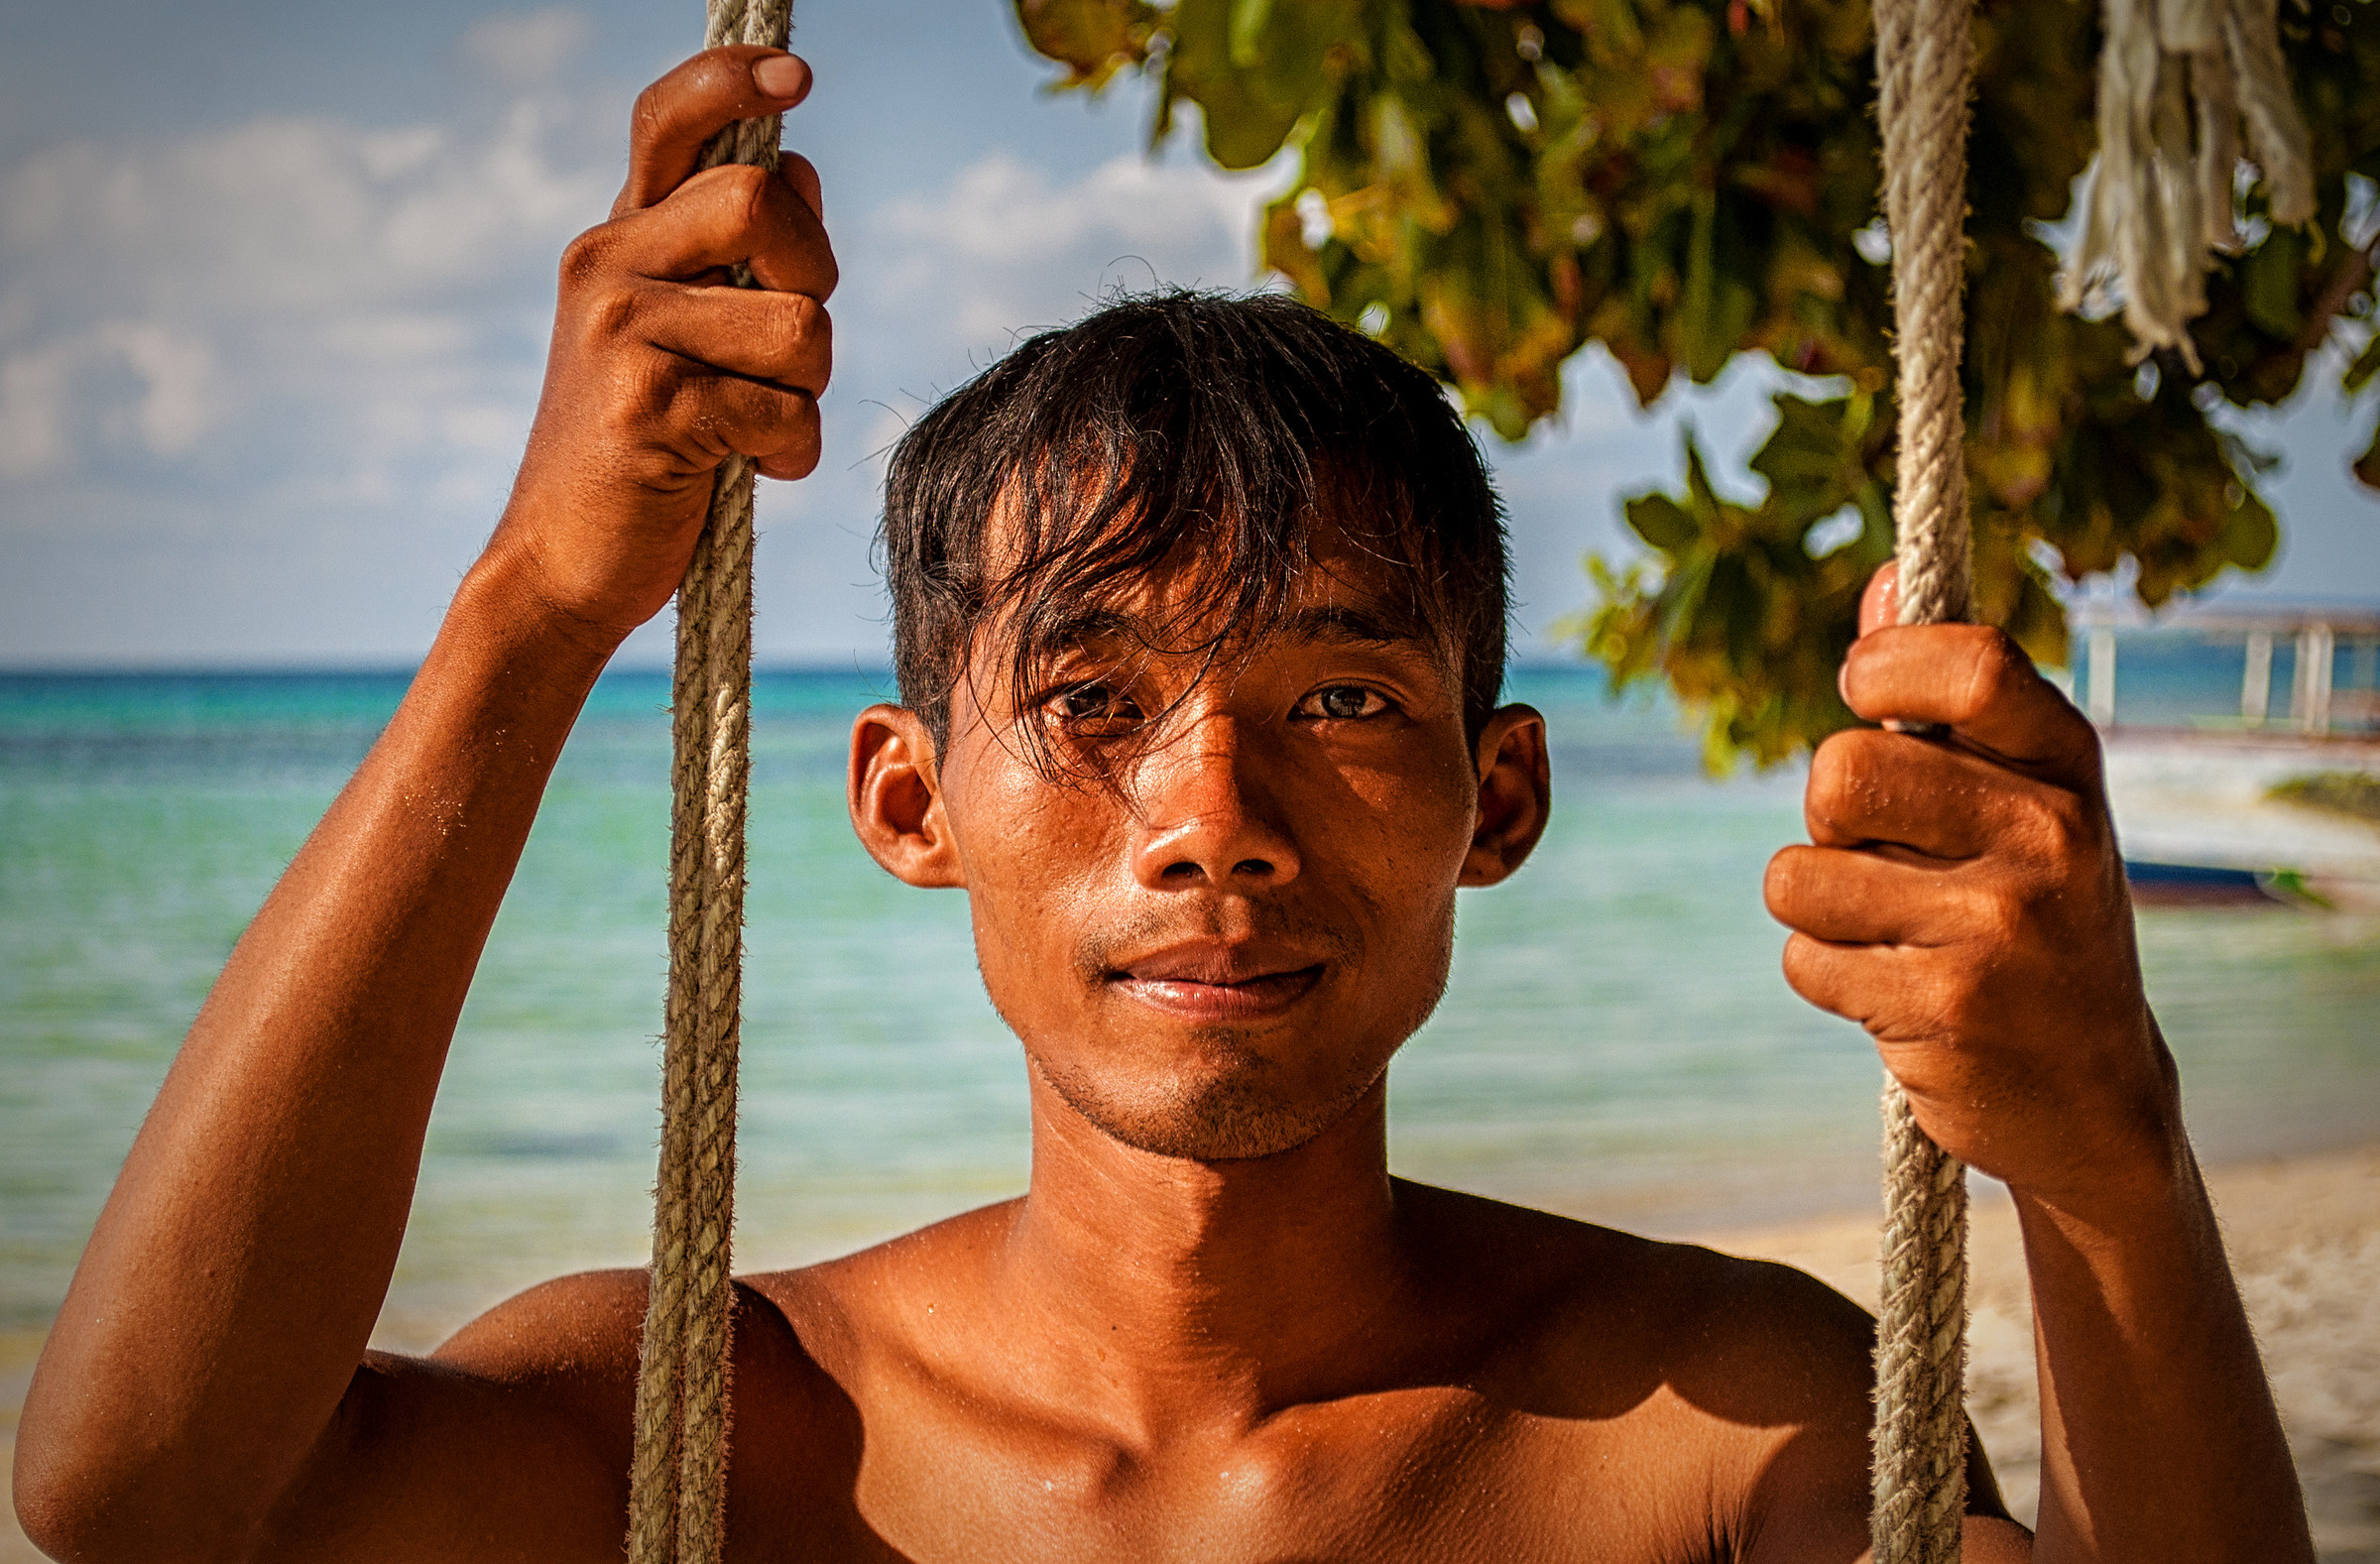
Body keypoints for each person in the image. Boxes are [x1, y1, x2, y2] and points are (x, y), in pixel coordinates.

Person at [13, 46, 2310, 1564]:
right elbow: (133, 1492)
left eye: (1337, 697)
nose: (1212, 814)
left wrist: (2106, 1142)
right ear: (910, 801)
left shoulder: (1705, 1434)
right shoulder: (720, 1424)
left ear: (1499, 795)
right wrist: (531, 608)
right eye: (1093, 696)